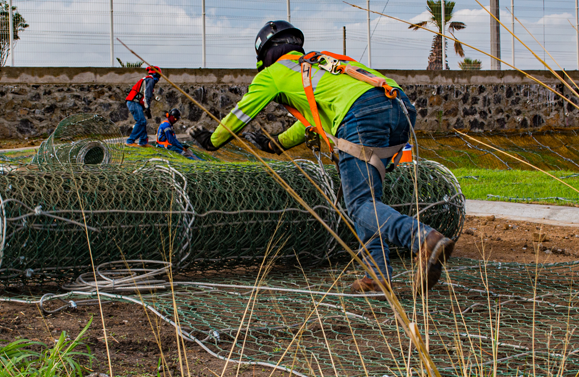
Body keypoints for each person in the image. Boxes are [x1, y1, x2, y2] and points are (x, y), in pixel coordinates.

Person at [190, 20, 457, 293]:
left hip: (360, 114)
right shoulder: (317, 63)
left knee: (360, 203)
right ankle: (376, 275)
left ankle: (423, 239)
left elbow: (243, 113)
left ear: (266, 55)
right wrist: (277, 144)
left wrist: (213, 141)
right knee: (367, 202)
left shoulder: (273, 73)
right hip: (399, 108)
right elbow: (309, 122)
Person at [125, 65, 161, 147]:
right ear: (156, 75)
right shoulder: (150, 80)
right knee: (141, 121)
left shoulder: (146, 79)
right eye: (159, 77)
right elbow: (147, 95)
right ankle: (130, 141)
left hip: (135, 102)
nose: (159, 80)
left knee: (143, 122)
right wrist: (147, 107)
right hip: (133, 102)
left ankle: (143, 141)